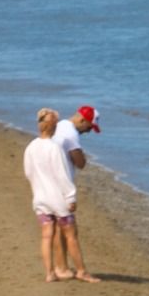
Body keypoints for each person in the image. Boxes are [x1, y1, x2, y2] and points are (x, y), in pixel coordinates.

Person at [24, 108, 83, 282]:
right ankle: (80, 270)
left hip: (40, 198)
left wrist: (37, 189)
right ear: (54, 126)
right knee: (71, 234)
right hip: (57, 200)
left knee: (46, 235)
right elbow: (62, 175)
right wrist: (71, 197)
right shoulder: (54, 148)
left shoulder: (31, 146)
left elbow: (28, 172)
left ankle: (50, 273)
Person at [49, 106, 101, 282]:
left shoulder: (60, 125)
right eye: (88, 128)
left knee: (57, 228)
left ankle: (60, 266)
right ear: (82, 120)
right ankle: (79, 270)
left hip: (49, 182)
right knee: (69, 229)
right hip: (61, 186)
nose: (88, 132)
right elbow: (80, 162)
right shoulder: (71, 135)